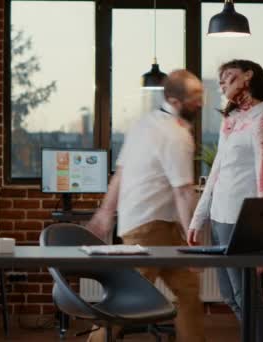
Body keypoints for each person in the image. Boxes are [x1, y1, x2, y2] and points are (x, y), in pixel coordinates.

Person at [87, 69, 205, 342]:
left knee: (187, 291)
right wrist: (194, 243)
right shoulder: (176, 136)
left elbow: (121, 173)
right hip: (150, 228)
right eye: (195, 97)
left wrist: (106, 212)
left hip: (152, 224)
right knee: (126, 300)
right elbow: (184, 193)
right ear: (175, 101)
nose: (201, 102)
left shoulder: (145, 123)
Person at [188, 59, 263, 341]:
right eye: (219, 81)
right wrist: (198, 217)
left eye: (227, 77)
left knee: (247, 297)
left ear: (248, 76)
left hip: (242, 221)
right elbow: (216, 170)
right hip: (220, 218)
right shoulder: (232, 120)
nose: (222, 84)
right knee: (230, 296)